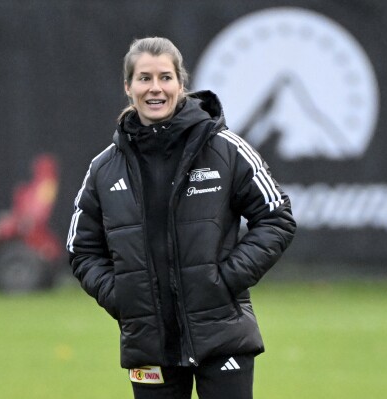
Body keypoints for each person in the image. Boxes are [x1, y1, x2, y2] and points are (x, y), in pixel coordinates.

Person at [66, 36, 295, 399]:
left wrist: (225, 279)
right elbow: (81, 249)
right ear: (128, 87)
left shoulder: (225, 149)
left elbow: (277, 217)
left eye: (165, 77)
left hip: (222, 336)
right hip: (149, 346)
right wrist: (121, 297)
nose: (155, 88)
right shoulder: (104, 169)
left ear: (180, 84)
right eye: (144, 78)